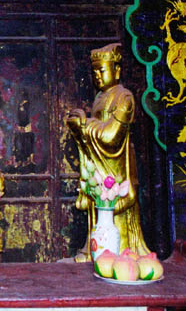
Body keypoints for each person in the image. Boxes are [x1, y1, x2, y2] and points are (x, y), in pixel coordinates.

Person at [66, 43, 150, 262]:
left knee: (114, 206)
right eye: (94, 72)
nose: (97, 76)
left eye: (101, 70)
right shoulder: (100, 98)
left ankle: (121, 251)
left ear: (117, 70)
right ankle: (95, 249)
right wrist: (80, 123)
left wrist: (85, 125)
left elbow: (112, 136)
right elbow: (99, 128)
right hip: (100, 163)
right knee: (98, 204)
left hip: (116, 164)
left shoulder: (124, 98)